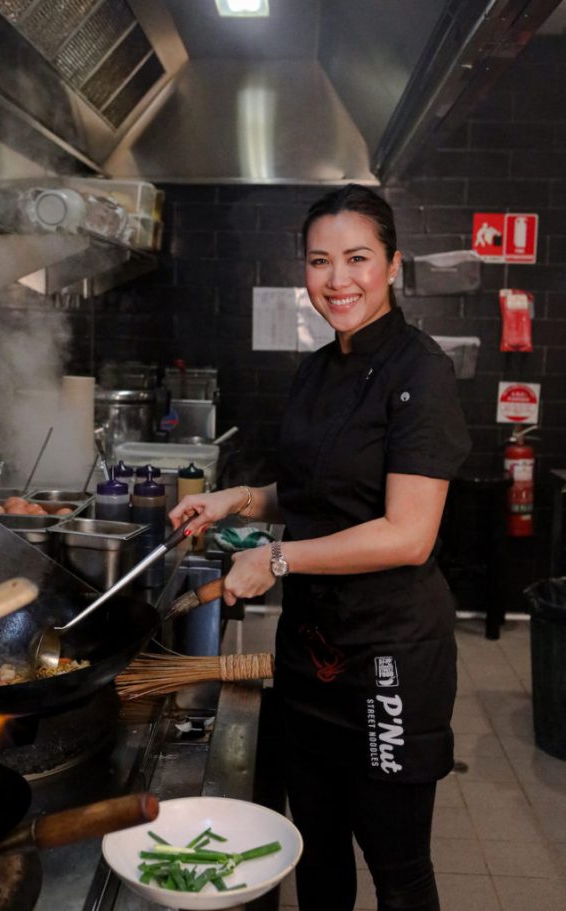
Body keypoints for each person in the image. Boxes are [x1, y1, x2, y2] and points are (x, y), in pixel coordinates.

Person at [169, 184, 472, 911]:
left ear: (393, 264)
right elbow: (311, 491)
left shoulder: (419, 372)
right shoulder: (318, 366)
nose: (338, 280)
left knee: (398, 870)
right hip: (311, 653)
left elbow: (408, 532)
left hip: (388, 658)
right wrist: (236, 500)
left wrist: (275, 559)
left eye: (358, 258)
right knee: (318, 850)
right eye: (319, 261)